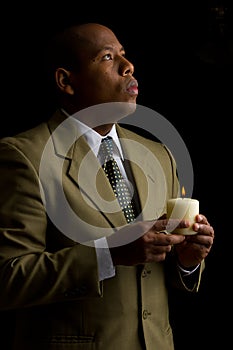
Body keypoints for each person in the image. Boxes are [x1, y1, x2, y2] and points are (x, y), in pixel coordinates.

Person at [0, 22, 214, 350]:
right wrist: (108, 254)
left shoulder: (160, 155)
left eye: (124, 56)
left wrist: (188, 260)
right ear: (66, 81)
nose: (128, 66)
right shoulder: (24, 155)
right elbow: (8, 278)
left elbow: (156, 273)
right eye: (107, 57)